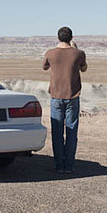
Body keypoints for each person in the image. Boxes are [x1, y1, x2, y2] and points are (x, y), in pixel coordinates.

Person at [42, 26, 87, 174]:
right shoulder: (79, 53)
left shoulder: (50, 53)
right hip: (73, 96)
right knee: (72, 131)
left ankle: (58, 165)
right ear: (71, 38)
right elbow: (84, 68)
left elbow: (44, 67)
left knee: (57, 131)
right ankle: (69, 165)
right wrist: (76, 48)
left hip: (56, 96)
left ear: (58, 38)